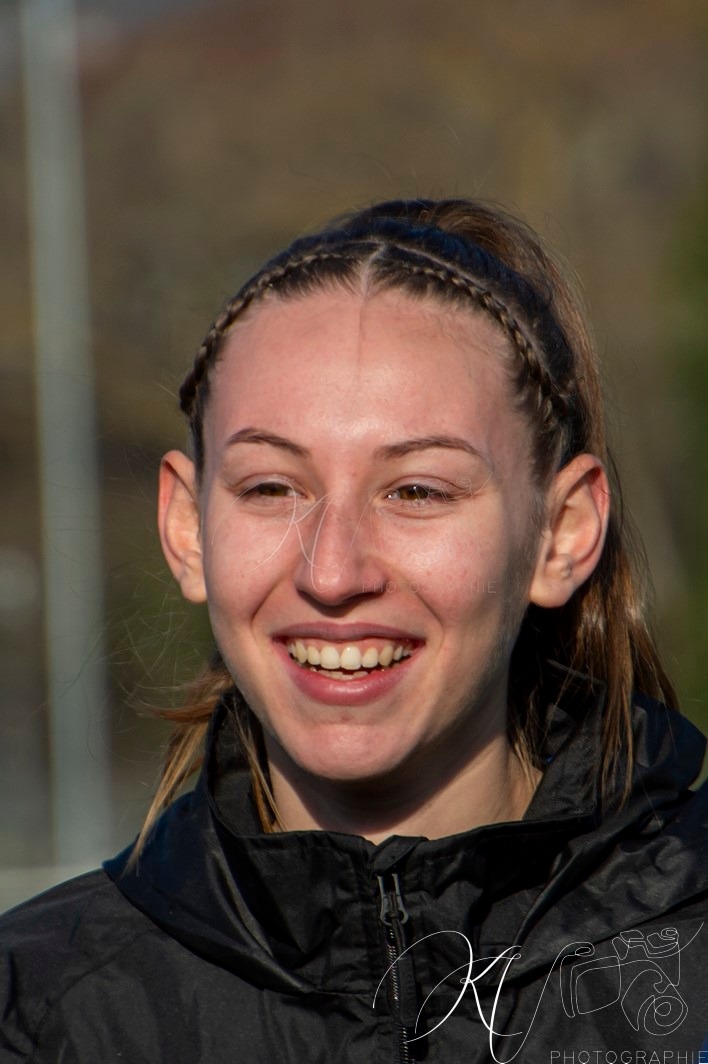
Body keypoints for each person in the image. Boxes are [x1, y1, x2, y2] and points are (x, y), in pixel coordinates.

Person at [2, 197, 707, 1063]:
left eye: (417, 490)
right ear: (187, 529)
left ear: (560, 534)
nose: (332, 572)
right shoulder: (39, 1015)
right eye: (271, 488)